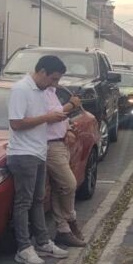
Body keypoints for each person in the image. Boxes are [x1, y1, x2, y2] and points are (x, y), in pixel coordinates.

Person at [7, 55, 70, 264]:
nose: (54, 84)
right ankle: (24, 248)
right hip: (23, 153)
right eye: (52, 79)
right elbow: (16, 123)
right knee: (24, 202)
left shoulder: (43, 91)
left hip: (39, 151)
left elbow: (46, 117)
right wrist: (47, 118)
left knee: (37, 200)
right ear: (41, 72)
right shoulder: (21, 90)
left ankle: (42, 242)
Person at [45, 85, 86, 247]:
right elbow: (52, 117)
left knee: (59, 187)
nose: (57, 81)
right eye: (54, 78)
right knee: (69, 185)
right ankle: (71, 220)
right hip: (50, 145)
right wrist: (72, 105)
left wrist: (67, 129)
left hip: (61, 143)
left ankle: (63, 229)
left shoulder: (52, 92)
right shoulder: (36, 93)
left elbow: (60, 118)